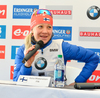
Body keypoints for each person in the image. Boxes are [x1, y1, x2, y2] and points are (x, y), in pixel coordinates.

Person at [13, 9, 99, 85]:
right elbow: (16, 82)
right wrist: (27, 65)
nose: (45, 31)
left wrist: (78, 82)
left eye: (49, 27)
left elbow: (93, 58)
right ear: (32, 30)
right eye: (40, 26)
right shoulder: (23, 50)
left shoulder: (62, 47)